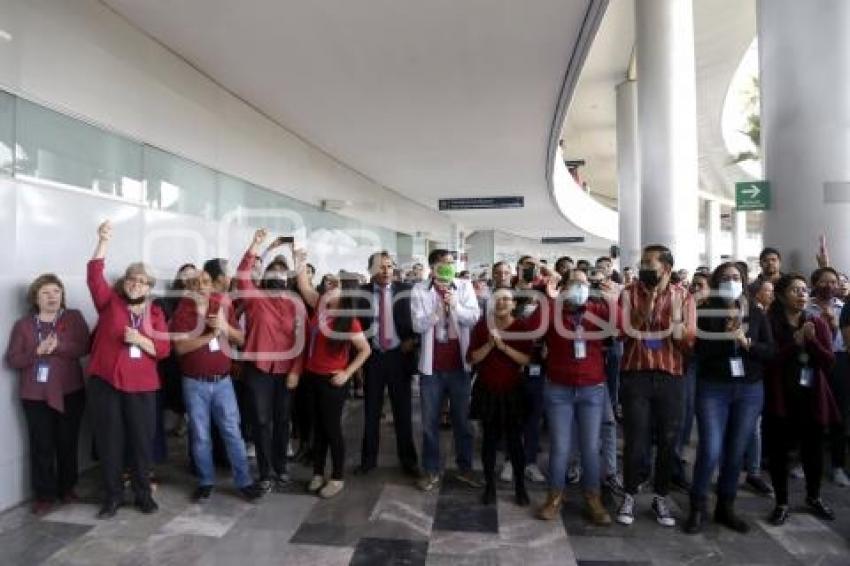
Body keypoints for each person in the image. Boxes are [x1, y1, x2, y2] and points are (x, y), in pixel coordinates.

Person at [86, 220, 170, 519]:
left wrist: (142, 340)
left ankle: (143, 494)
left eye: (143, 281)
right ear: (125, 282)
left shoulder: (156, 312)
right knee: (110, 441)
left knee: (140, 441)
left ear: (149, 287)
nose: (137, 283)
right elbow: (94, 275)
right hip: (106, 383)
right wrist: (103, 240)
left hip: (142, 387)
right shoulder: (110, 303)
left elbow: (163, 350)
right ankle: (112, 496)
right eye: (132, 279)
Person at [684, 262, 775, 534]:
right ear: (716, 282)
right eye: (725, 278)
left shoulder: (756, 314)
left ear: (744, 281)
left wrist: (747, 343)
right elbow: (697, 351)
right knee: (711, 449)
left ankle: (726, 506)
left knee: (736, 452)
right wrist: (726, 335)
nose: (732, 281)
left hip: (749, 389)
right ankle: (697, 506)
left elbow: (770, 351)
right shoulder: (704, 311)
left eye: (736, 277)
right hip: (714, 388)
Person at [616, 244, 696, 528]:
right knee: (635, 440)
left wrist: (676, 324)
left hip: (670, 376)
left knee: (667, 440)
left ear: (666, 268)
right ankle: (629, 493)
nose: (645, 267)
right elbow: (623, 333)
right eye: (642, 263)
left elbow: (689, 341)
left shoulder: (684, 296)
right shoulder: (628, 293)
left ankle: (661, 496)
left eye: (650, 262)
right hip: (636, 375)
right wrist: (646, 306)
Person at [170, 267, 264, 503]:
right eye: (195, 283)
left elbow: (240, 339)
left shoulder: (221, 305)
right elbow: (180, 348)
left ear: (212, 285)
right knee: (200, 435)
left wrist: (224, 327)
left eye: (205, 281)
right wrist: (210, 336)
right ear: (189, 288)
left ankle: (244, 482)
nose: (201, 286)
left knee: (232, 431)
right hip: (194, 384)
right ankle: (205, 481)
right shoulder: (183, 310)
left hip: (223, 383)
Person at [536, 269, 617, 526]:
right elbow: (533, 327)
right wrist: (550, 300)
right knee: (560, 446)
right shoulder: (553, 310)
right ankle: (554, 497)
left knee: (591, 447)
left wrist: (613, 301)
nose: (580, 288)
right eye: (574, 284)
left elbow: (621, 329)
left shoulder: (596, 310)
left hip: (592, 389)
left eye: (584, 284)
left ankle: (592, 498)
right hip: (559, 388)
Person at [5, 274, 90, 515]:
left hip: (70, 392)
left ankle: (67, 488)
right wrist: (37, 351)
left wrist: (59, 346)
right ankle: (44, 494)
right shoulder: (23, 325)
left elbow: (84, 347)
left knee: (67, 442)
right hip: (35, 396)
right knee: (41, 445)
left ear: (62, 295)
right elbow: (13, 360)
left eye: (56, 291)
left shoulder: (73, 317)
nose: (52, 296)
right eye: (45, 293)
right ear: (35, 297)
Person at [294, 253, 371, 498]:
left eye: (336, 284)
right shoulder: (320, 305)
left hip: (332, 381)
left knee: (331, 429)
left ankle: (337, 477)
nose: (330, 286)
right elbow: (303, 284)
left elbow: (365, 350)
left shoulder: (349, 320)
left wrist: (347, 373)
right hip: (311, 377)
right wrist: (299, 260)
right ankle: (318, 473)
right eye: (329, 282)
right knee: (318, 428)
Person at [764, 274, 839, 525]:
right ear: (782, 295)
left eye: (804, 290)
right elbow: (769, 360)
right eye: (795, 290)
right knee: (780, 453)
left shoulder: (816, 321)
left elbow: (829, 361)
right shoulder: (771, 322)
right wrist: (794, 344)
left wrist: (812, 341)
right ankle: (782, 502)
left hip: (812, 396)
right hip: (782, 397)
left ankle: (814, 497)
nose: (802, 294)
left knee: (813, 451)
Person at [235, 229, 304, 493]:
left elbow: (301, 341)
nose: (277, 278)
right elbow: (243, 275)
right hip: (259, 371)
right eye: (272, 274)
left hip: (286, 371)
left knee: (282, 421)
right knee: (261, 421)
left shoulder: (294, 304)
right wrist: (255, 245)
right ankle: (265, 472)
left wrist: (296, 371)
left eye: (281, 274)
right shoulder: (255, 300)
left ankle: (281, 468)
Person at [411, 249, 481, 492]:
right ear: (432, 266)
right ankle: (430, 470)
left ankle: (465, 468)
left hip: (459, 366)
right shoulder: (420, 289)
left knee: (462, 421)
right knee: (429, 423)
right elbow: (417, 325)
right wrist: (436, 313)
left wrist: (455, 306)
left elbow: (473, 317)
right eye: (443, 263)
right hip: (432, 369)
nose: (448, 266)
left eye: (452, 263)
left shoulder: (463, 286)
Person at [355, 251, 419, 477]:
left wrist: (413, 340)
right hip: (372, 358)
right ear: (371, 270)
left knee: (403, 412)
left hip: (399, 357)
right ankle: (368, 460)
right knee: (371, 413)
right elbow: (354, 326)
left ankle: (408, 460)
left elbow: (419, 321)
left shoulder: (407, 292)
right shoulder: (360, 294)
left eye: (389, 266)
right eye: (381, 267)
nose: (386, 271)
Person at [468, 288, 533, 506]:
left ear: (514, 304)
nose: (502, 303)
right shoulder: (481, 326)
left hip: (513, 390)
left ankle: (520, 488)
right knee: (489, 440)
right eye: (498, 299)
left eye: (507, 299)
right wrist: (489, 343)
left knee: (515, 441)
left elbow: (525, 359)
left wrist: (503, 346)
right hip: (487, 390)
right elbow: (473, 358)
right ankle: (489, 487)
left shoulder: (521, 327)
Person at [807, 267, 849, 486]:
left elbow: (846, 340)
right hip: (813, 363)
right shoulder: (807, 307)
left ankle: (837, 465)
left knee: (839, 415)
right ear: (815, 283)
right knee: (811, 412)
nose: (830, 286)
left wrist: (834, 326)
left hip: (839, 362)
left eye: (833, 282)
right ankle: (805, 462)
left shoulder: (843, 307)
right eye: (824, 282)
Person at [672, 271, 710, 491]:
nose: (696, 288)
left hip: (711, 370)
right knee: (684, 418)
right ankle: (675, 467)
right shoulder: (685, 307)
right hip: (689, 365)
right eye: (693, 284)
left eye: (701, 285)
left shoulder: (716, 310)